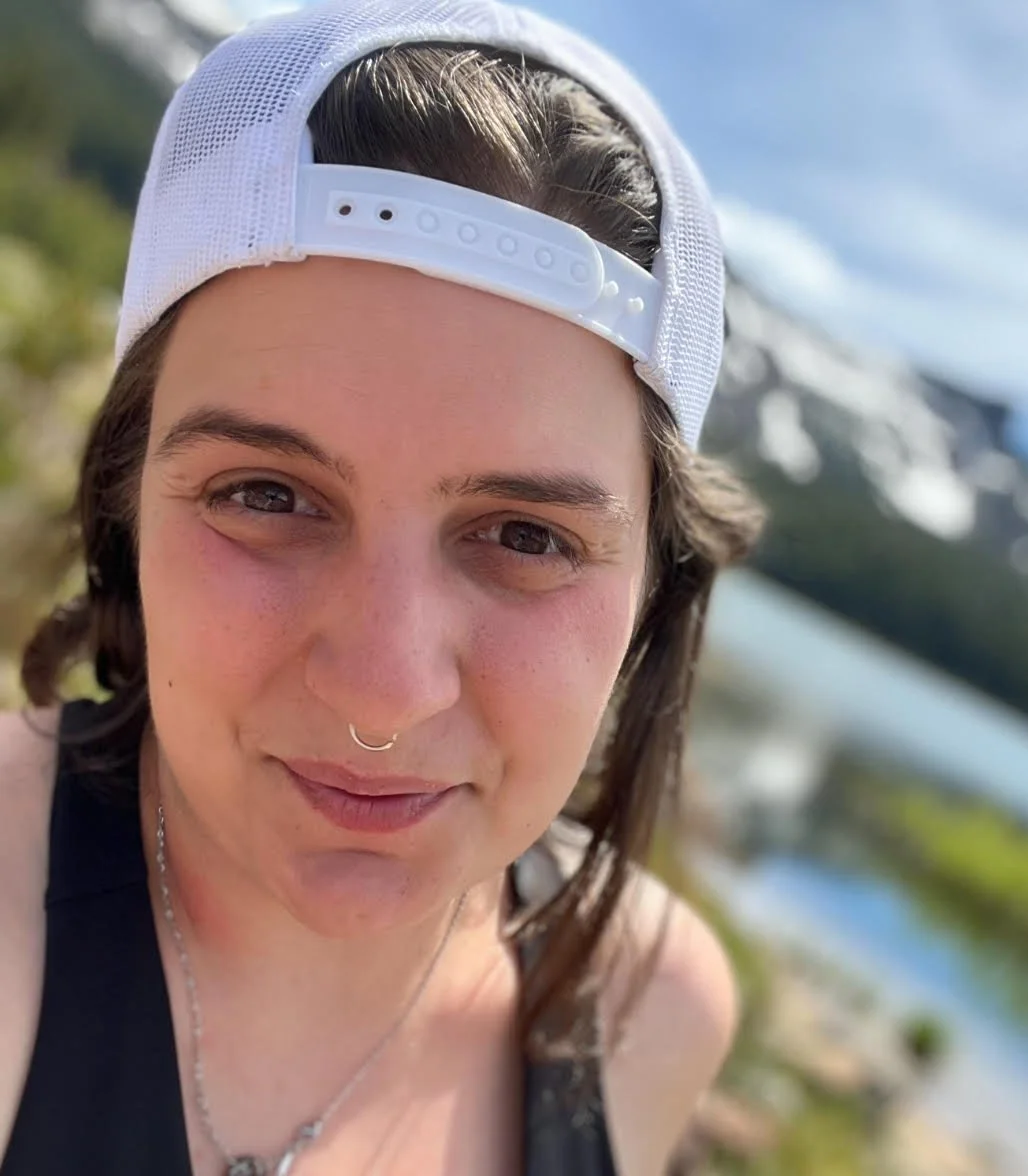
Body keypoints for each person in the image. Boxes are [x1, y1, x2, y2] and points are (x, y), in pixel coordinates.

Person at [0, 1, 762, 1173]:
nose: (385, 691)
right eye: (266, 496)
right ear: (124, 501)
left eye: (524, 534)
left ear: (654, 592)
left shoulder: (649, 1011)